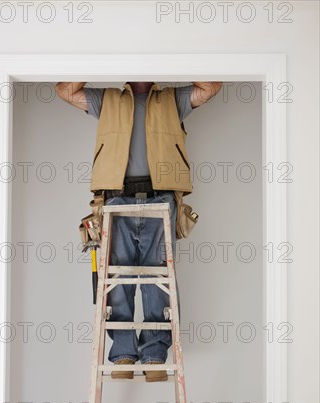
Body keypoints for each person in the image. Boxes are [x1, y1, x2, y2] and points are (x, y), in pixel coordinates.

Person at [55, 80, 222, 381]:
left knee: (157, 277)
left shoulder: (173, 99)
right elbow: (65, 91)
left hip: (162, 198)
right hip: (115, 198)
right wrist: (102, 56)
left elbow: (210, 87)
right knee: (117, 277)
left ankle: (155, 356)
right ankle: (122, 354)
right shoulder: (107, 100)